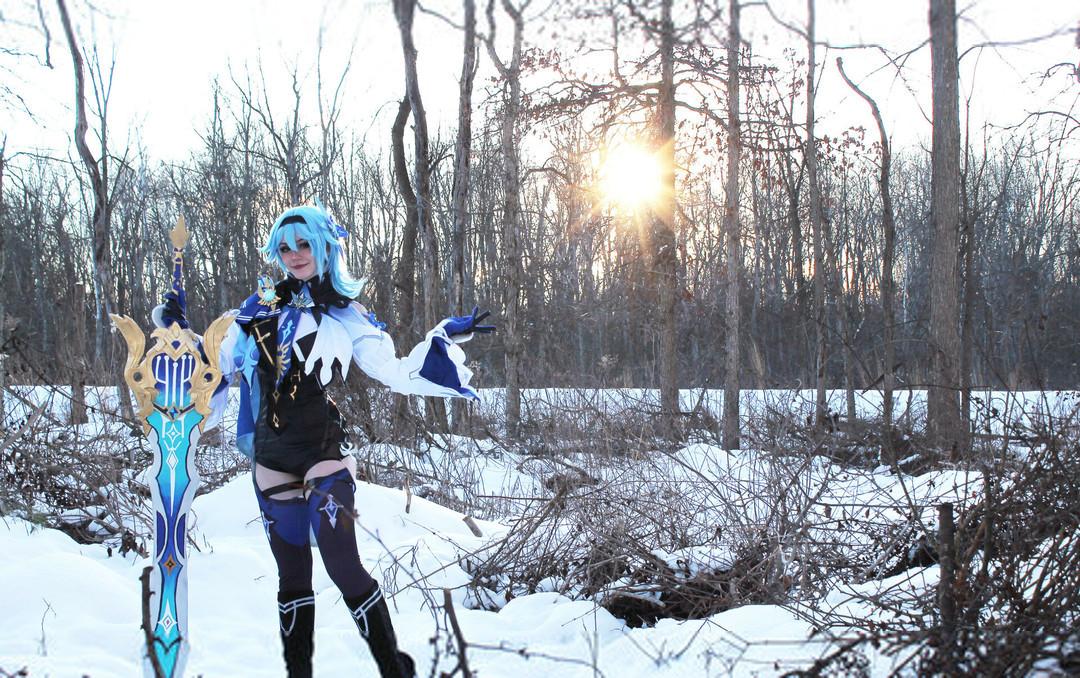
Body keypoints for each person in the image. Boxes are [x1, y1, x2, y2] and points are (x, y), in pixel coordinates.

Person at [154, 202, 493, 678]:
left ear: (325, 247)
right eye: (284, 247)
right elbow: (215, 368)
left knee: (343, 564)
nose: (294, 255)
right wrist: (179, 336)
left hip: (322, 452)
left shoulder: (344, 313)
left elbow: (394, 371)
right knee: (292, 576)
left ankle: (394, 669)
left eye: (304, 244)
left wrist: (442, 339)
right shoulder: (255, 309)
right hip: (270, 457)